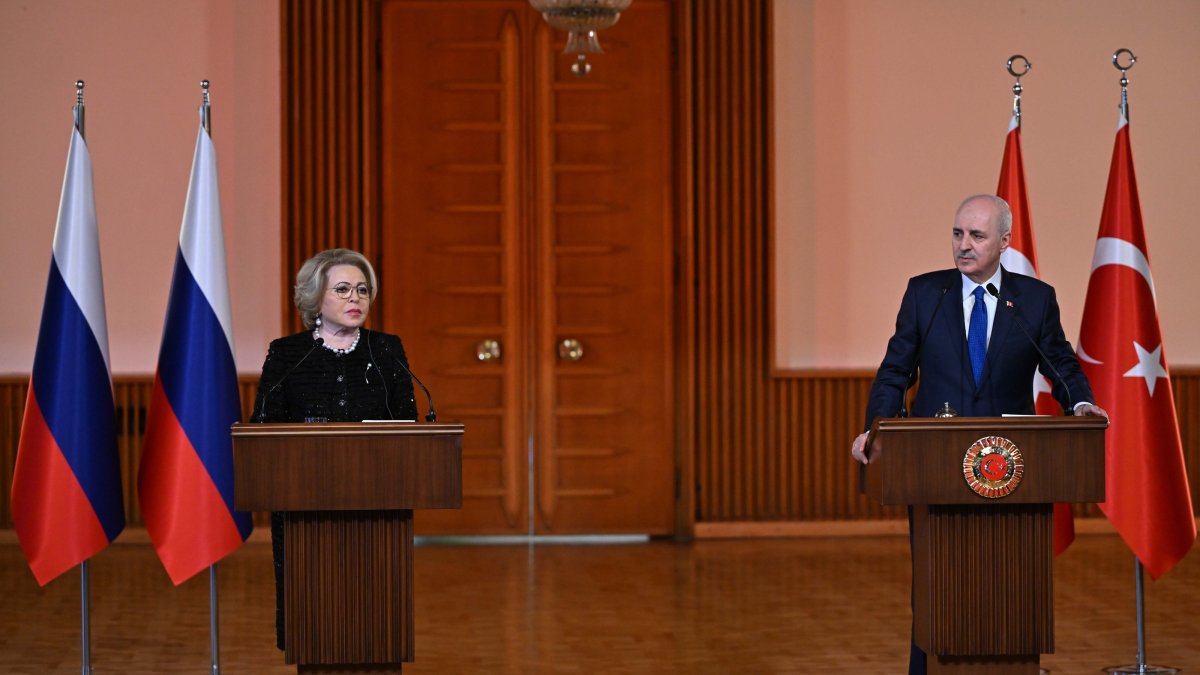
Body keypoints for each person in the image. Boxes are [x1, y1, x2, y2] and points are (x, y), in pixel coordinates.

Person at [848, 194, 1108, 674]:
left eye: (977, 235)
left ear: (1004, 241)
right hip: (931, 468)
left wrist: (1081, 403)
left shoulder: (1034, 300)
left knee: (1009, 583)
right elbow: (895, 371)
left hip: (1013, 471)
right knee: (936, 585)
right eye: (957, 234)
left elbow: (1060, 363)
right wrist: (875, 428)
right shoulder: (926, 294)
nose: (963, 245)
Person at [250, 248, 419, 650]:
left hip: (379, 503)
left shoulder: (386, 350)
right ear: (315, 297)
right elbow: (264, 428)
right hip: (303, 505)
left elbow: (407, 426)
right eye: (342, 289)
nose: (355, 298)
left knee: (377, 623)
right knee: (312, 623)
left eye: (362, 289)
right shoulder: (287, 354)